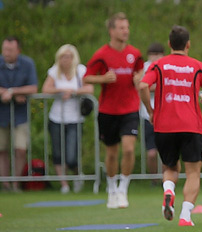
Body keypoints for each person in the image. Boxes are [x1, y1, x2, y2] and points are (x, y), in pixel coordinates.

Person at [139, 25, 202, 227]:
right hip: (190, 126)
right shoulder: (197, 66)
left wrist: (150, 111)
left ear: (169, 44)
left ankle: (168, 190)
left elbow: (142, 85)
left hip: (163, 126)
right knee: (193, 172)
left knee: (169, 167)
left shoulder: (159, 65)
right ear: (188, 44)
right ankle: (185, 215)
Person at [84, 12, 144, 209]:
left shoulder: (134, 53)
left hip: (130, 108)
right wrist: (103, 79)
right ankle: (111, 189)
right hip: (108, 110)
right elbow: (86, 77)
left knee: (128, 149)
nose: (126, 31)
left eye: (127, 27)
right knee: (111, 153)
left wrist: (139, 80)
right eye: (121, 28)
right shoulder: (101, 54)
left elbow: (141, 72)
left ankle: (123, 189)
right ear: (111, 30)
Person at [41, 44, 93, 194]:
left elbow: (89, 88)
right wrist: (61, 90)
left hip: (75, 118)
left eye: (69, 56)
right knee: (57, 152)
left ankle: (77, 175)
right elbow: (46, 89)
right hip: (56, 117)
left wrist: (74, 91)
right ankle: (64, 184)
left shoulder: (80, 70)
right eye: (63, 57)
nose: (66, 60)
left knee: (71, 155)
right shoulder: (54, 71)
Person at [0, 36, 38, 192]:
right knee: (1, 150)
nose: (6, 53)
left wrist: (12, 91)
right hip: (1, 114)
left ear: (18, 51)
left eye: (10, 50)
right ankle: (5, 184)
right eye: (4, 49)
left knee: (20, 149)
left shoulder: (27, 64)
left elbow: (33, 88)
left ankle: (16, 183)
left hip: (20, 115)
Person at [139, 43, 165, 185]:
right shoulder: (144, 68)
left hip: (165, 115)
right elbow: (142, 86)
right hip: (147, 115)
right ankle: (154, 179)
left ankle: (167, 180)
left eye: (158, 54)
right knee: (151, 153)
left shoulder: (165, 66)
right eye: (153, 54)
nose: (155, 57)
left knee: (166, 152)